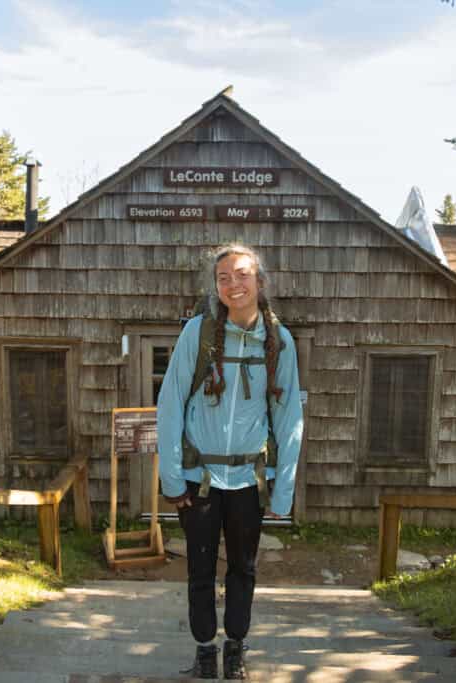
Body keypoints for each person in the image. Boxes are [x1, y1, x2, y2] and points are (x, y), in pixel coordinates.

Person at [157, 243, 304, 680]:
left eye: (242, 274)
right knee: (200, 568)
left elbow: (289, 416)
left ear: (260, 281)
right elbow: (169, 405)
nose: (233, 284)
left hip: (249, 480)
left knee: (243, 568)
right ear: (216, 287)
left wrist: (284, 489)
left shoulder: (279, 341)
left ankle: (235, 650)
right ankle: (205, 652)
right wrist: (171, 479)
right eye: (224, 277)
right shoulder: (197, 334)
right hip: (198, 478)